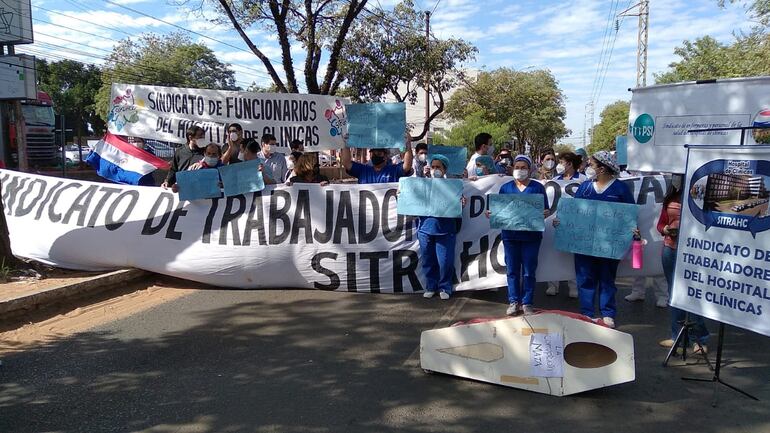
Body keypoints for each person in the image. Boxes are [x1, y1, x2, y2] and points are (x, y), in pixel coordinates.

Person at [553, 150, 637, 328]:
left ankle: (608, 313)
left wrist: (632, 229)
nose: (588, 167)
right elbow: (575, 212)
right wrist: (562, 222)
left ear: (603, 168)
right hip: (584, 244)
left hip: (609, 245)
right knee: (585, 278)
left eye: (591, 164)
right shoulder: (585, 187)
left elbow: (629, 214)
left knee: (607, 279)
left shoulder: (620, 189)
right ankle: (587, 313)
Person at [488, 155, 549, 315]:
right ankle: (514, 301)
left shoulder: (537, 188)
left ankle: (527, 302)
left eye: (523, 168)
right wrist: (492, 213)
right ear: (512, 169)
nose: (520, 170)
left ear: (529, 169)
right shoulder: (505, 188)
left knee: (529, 271)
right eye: (517, 167)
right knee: (512, 270)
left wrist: (545, 212)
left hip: (531, 237)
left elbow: (546, 209)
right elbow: (499, 210)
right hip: (510, 236)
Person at [657, 174, 709, 353]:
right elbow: (661, 223)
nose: (677, 178)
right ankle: (677, 337)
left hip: (693, 252)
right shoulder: (670, 198)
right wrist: (664, 229)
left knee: (693, 293)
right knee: (674, 293)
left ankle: (698, 339)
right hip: (670, 250)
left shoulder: (702, 197)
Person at [417, 154, 465, 300]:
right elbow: (412, 200)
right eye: (433, 167)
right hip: (425, 228)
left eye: (438, 167)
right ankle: (431, 286)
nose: (435, 169)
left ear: (445, 169)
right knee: (428, 260)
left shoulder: (453, 187)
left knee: (445, 261)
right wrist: (402, 195)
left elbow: (458, 205)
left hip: (445, 229)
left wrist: (461, 204)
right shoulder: (422, 185)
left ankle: (445, 286)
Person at [340, 136, 413, 184]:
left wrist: (408, 144)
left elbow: (407, 166)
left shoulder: (394, 171)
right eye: (373, 153)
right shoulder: (363, 170)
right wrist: (345, 144)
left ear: (385, 156)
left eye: (379, 153)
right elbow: (346, 163)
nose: (375, 155)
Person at [162, 125, 206, 190]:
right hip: (182, 188)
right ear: (190, 138)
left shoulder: (206, 152)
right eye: (200, 136)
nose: (202, 137)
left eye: (203, 135)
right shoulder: (180, 151)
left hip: (199, 189)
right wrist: (167, 181)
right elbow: (174, 170)